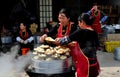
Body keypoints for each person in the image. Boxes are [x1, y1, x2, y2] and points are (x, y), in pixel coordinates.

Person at [58, 13, 100, 77]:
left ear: (82, 22)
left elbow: (64, 40)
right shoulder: (95, 32)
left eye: (79, 23)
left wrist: (57, 40)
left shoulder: (81, 32)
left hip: (85, 65)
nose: (78, 25)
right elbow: (96, 47)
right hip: (94, 64)